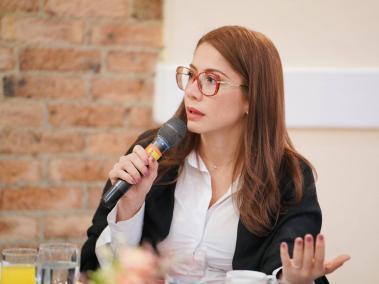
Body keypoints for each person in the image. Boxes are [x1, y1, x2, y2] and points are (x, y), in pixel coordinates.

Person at [80, 26, 350, 283]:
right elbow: (96, 267)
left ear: (251, 98)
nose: (191, 92)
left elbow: (287, 267)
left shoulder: (289, 176)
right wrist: (130, 209)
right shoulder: (155, 153)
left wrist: (292, 281)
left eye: (211, 80)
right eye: (192, 76)